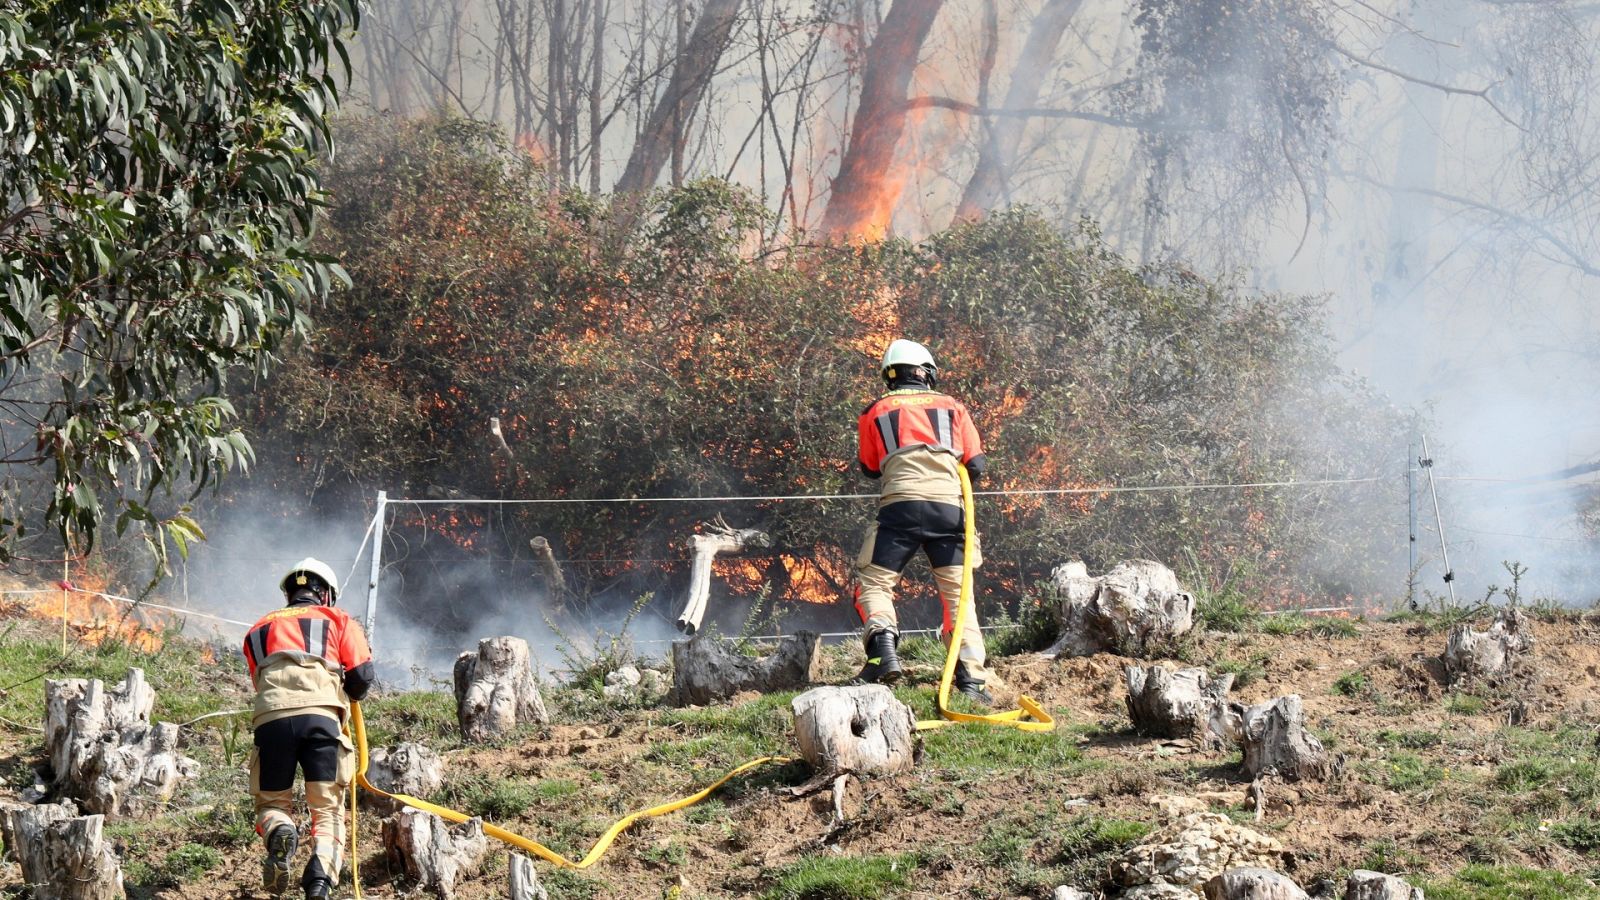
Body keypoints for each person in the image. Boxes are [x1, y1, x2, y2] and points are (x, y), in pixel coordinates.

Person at [852, 338, 997, 703]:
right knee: (958, 597)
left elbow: (870, 468)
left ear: (890, 376)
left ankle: (882, 652)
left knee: (873, 584)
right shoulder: (952, 406)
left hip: (899, 509)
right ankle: (971, 683)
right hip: (949, 510)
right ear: (926, 373)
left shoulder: (874, 411)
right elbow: (976, 464)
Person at [242, 557, 375, 899]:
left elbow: (259, 679)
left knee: (271, 803)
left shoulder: (257, 629)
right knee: (327, 811)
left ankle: (280, 831)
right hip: (321, 721)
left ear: (289, 593)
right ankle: (318, 885)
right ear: (326, 593)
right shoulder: (338, 619)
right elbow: (362, 677)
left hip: (271, 721)